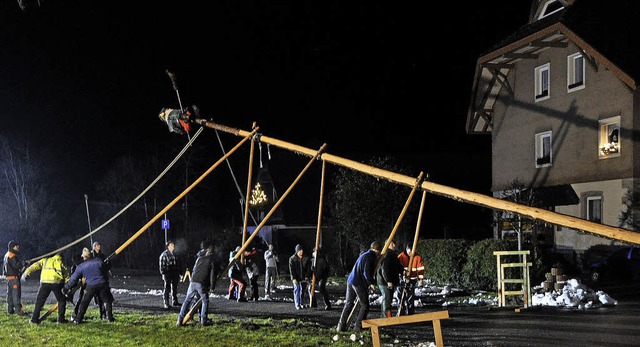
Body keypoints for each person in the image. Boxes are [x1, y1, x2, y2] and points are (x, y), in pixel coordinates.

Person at [336, 241, 381, 333]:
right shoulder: (370, 257)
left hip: (351, 280)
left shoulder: (364, 255)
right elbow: (367, 273)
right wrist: (372, 282)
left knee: (348, 304)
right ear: (377, 250)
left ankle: (340, 326)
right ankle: (358, 326)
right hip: (358, 282)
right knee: (365, 305)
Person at [62, 253, 115, 323]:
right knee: (106, 300)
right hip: (102, 283)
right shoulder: (98, 261)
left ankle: (78, 319)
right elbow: (106, 269)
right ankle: (110, 318)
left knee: (85, 302)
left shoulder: (81, 267)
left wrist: (66, 288)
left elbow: (73, 280)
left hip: (91, 285)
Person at [176, 242, 217, 326]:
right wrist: (212, 287)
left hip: (193, 281)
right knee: (205, 301)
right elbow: (213, 275)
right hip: (201, 283)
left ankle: (179, 320)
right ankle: (203, 320)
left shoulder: (199, 258)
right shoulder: (212, 261)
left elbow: (194, 269)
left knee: (187, 300)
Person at [22, 252, 70, 324]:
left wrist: (26, 273)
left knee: (39, 301)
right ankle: (61, 319)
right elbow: (66, 274)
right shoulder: (60, 261)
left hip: (44, 282)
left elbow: (35, 266)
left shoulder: (45, 260)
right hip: (56, 283)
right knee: (61, 300)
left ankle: (34, 319)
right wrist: (68, 284)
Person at [377, 239, 404, 318]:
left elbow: (397, 266)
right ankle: (386, 317)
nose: (394, 245)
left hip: (387, 281)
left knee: (388, 298)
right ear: (388, 244)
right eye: (392, 244)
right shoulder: (387, 254)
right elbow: (384, 269)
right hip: (385, 281)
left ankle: (385, 315)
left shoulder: (391, 254)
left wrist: (402, 272)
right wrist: (388, 280)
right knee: (387, 299)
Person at [397, 243, 425, 315]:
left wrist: (420, 280)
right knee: (400, 296)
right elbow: (397, 268)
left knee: (410, 296)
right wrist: (402, 276)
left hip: (412, 279)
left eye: (412, 252)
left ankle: (410, 312)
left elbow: (421, 269)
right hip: (402, 280)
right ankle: (400, 311)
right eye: (409, 252)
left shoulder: (418, 257)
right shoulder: (401, 257)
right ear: (406, 250)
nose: (410, 254)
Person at [3, 240, 26, 315]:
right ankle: (18, 311)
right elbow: (16, 265)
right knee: (16, 295)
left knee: (9, 295)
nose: (18, 247)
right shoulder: (12, 256)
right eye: (16, 246)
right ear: (13, 247)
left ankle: (10, 310)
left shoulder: (7, 255)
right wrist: (23, 263)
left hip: (9, 279)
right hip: (14, 279)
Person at [69, 247, 91, 321]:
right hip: (83, 283)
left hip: (90, 282)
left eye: (88, 256)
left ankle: (103, 315)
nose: (86, 258)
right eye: (85, 256)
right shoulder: (78, 264)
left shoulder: (89, 262)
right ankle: (76, 314)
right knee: (82, 298)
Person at [159, 240, 181, 308]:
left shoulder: (174, 254)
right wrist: (164, 273)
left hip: (174, 273)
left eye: (173, 245)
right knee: (167, 288)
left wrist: (179, 272)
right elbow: (162, 266)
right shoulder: (164, 254)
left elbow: (177, 264)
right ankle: (166, 303)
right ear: (168, 246)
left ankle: (175, 301)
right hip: (167, 274)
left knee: (174, 288)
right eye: (171, 245)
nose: (173, 247)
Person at [289, 244, 310, 310]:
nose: (301, 252)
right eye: (300, 250)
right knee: (297, 289)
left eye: (302, 250)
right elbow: (291, 269)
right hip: (296, 277)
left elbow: (308, 268)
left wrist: (307, 276)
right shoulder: (292, 259)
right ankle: (297, 304)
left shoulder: (305, 258)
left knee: (302, 291)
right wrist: (294, 278)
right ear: (297, 251)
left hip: (303, 277)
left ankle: (301, 303)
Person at [90, 241, 108, 319]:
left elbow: (106, 266)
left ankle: (103, 314)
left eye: (99, 245)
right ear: (94, 247)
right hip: (93, 278)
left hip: (102, 277)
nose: (99, 246)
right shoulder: (91, 255)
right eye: (97, 245)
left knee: (102, 297)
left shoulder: (102, 255)